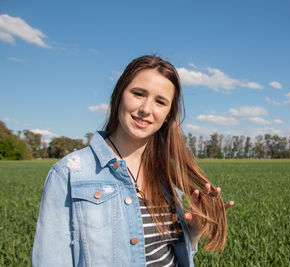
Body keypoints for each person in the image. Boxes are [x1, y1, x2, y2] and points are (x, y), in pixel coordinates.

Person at [31, 55, 233, 267]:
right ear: (119, 95)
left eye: (160, 102)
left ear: (167, 115)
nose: (146, 109)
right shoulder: (70, 173)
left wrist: (192, 233)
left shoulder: (167, 177)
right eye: (138, 94)